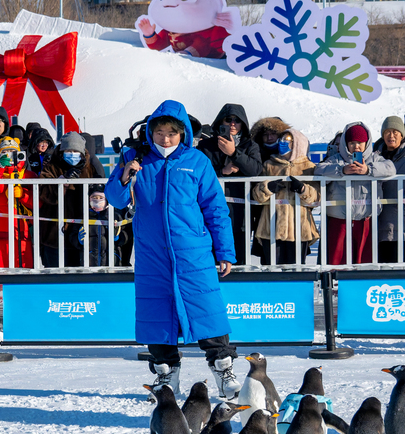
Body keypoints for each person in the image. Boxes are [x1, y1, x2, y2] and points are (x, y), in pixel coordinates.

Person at [106, 100, 242, 399]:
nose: (165, 138)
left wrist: (225, 252)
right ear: (149, 132)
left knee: (207, 309)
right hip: (152, 254)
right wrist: (126, 173)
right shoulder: (134, 157)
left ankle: (223, 369)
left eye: (171, 132)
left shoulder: (197, 161)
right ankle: (166, 375)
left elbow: (216, 209)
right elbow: (115, 199)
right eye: (159, 132)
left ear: (183, 133)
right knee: (158, 315)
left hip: (192, 252)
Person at [315, 122, 395, 265]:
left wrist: (368, 170)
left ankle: (362, 286)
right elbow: (319, 169)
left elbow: (390, 169)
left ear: (367, 143)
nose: (356, 146)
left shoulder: (374, 158)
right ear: (346, 144)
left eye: (360, 142)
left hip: (366, 221)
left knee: (364, 262)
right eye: (352, 143)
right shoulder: (337, 159)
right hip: (339, 221)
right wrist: (341, 170)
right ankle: (336, 287)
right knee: (337, 262)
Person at [198, 104, 263, 265]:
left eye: (237, 120)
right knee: (209, 256)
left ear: (244, 124)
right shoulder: (206, 145)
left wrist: (234, 153)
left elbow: (256, 170)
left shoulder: (250, 145)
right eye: (229, 119)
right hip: (210, 210)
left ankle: (236, 289)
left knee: (237, 257)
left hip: (239, 212)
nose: (232, 124)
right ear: (221, 122)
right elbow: (198, 171)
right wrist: (222, 172)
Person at [251, 128, 318, 265]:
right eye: (281, 140)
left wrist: (303, 189)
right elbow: (256, 195)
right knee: (271, 271)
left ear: (298, 143)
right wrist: (267, 188)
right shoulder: (269, 165)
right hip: (270, 227)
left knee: (297, 272)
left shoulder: (308, 167)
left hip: (299, 228)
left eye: (288, 141)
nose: (283, 143)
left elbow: (317, 197)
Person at [39, 132, 100, 267]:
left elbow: (99, 192)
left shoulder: (90, 169)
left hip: (80, 233)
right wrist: (61, 182)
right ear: (62, 151)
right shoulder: (51, 167)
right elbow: (44, 193)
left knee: (78, 278)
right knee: (53, 277)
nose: (72, 154)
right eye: (68, 151)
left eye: (75, 151)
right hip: (54, 235)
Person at [374, 116, 405, 263]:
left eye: (395, 132)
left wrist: (404, 203)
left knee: (403, 273)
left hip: (403, 225)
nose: (391, 136)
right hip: (378, 225)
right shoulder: (375, 158)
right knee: (381, 274)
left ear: (402, 135)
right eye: (387, 132)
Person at [0, 136, 35, 268]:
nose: (10, 156)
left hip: (22, 233)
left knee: (24, 271)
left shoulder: (28, 175)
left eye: (13, 151)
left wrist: (23, 195)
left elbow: (39, 203)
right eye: (5, 152)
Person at [66, 183, 132, 267]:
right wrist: (78, 240)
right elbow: (72, 237)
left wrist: (118, 237)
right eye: (94, 197)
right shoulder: (84, 217)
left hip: (112, 263)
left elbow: (126, 236)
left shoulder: (115, 216)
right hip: (88, 263)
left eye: (101, 198)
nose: (97, 200)